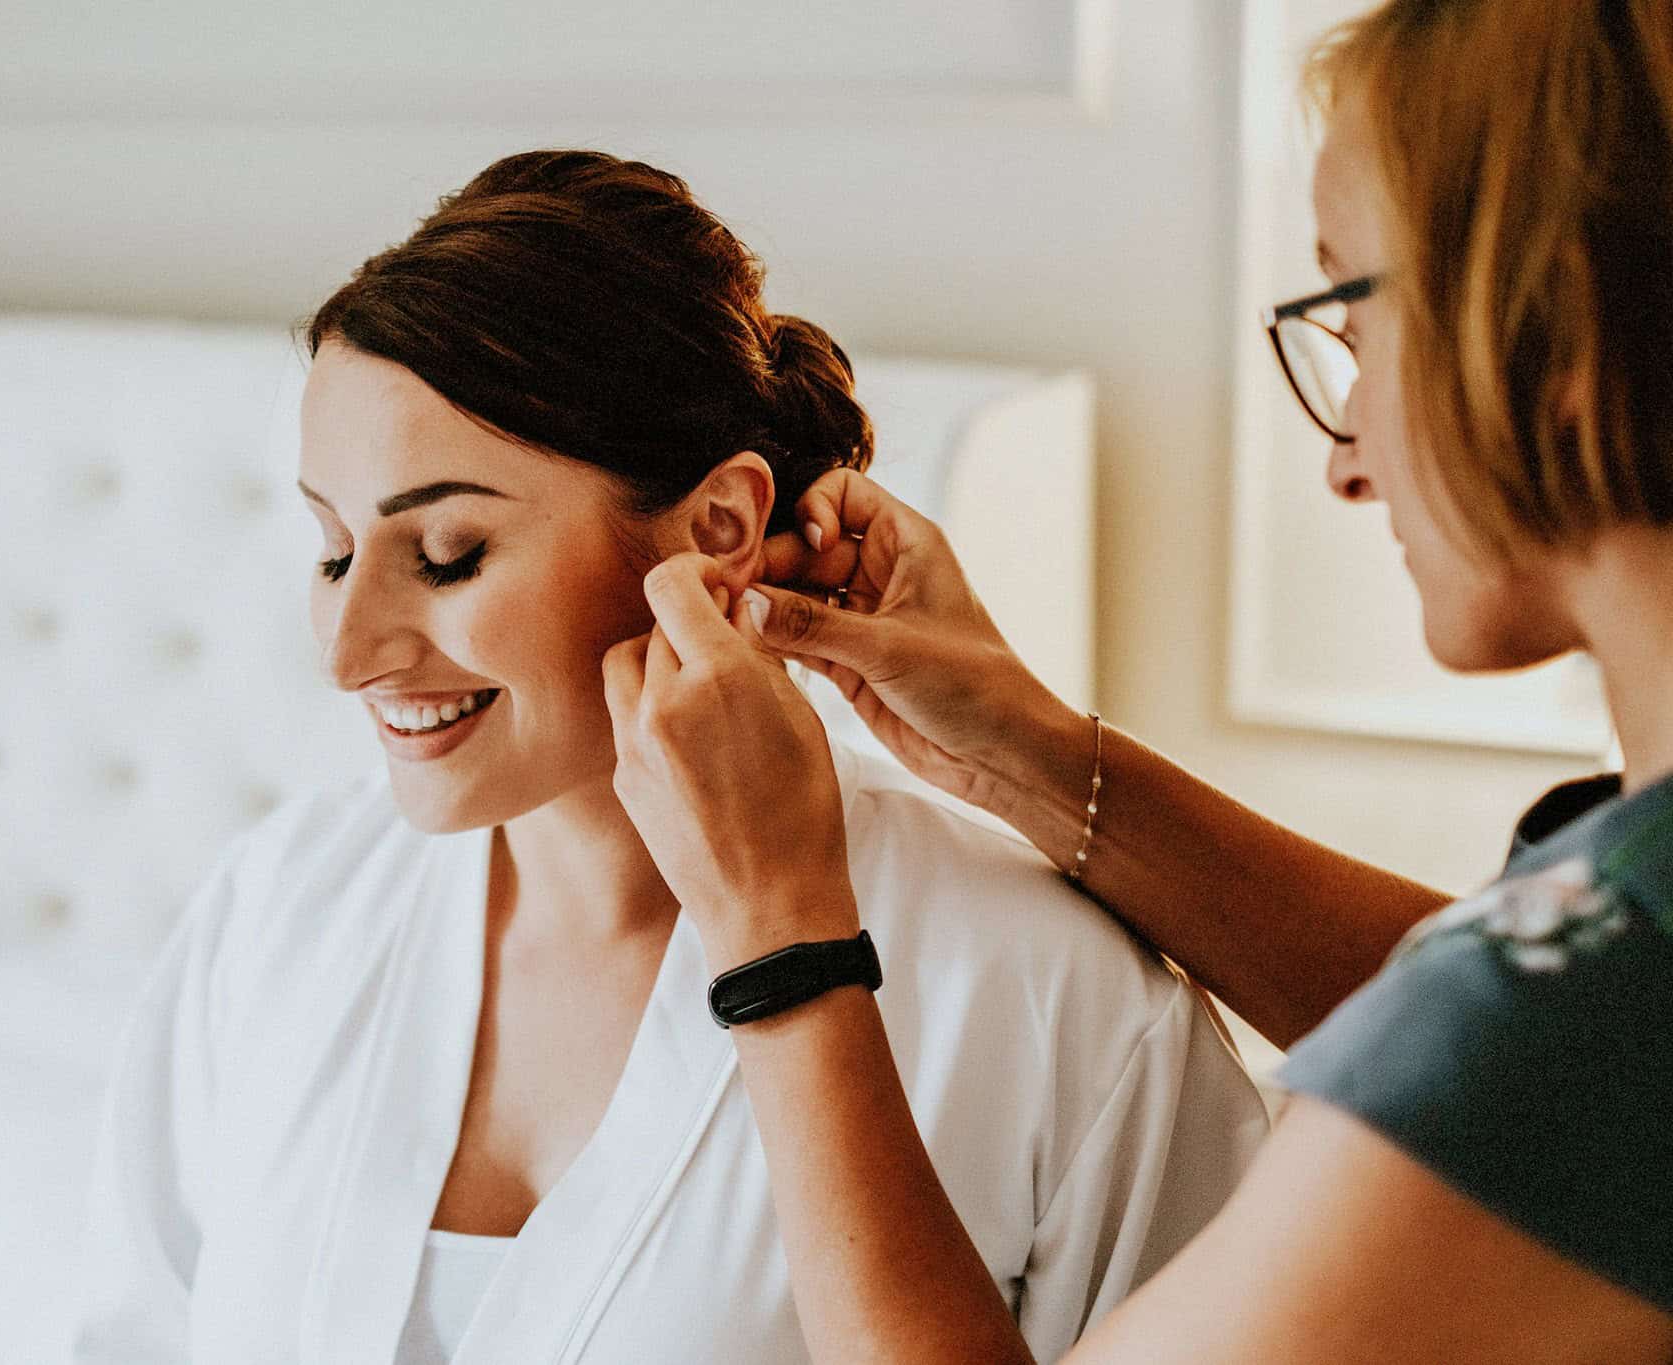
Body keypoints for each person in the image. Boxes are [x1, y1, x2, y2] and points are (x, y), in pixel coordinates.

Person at [604, 1, 1673, 1360]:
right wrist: (1031, 753)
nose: (1344, 459)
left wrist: (778, 938)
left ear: (1553, 335)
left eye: (1352, 323)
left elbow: (1540, 1065)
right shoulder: (1604, 968)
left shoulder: (1577, 1003)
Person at [72, 150, 1268, 1363]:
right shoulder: (280, 910)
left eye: (446, 554)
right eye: (332, 552)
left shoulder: (1046, 995)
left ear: (716, 527)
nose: (348, 656)